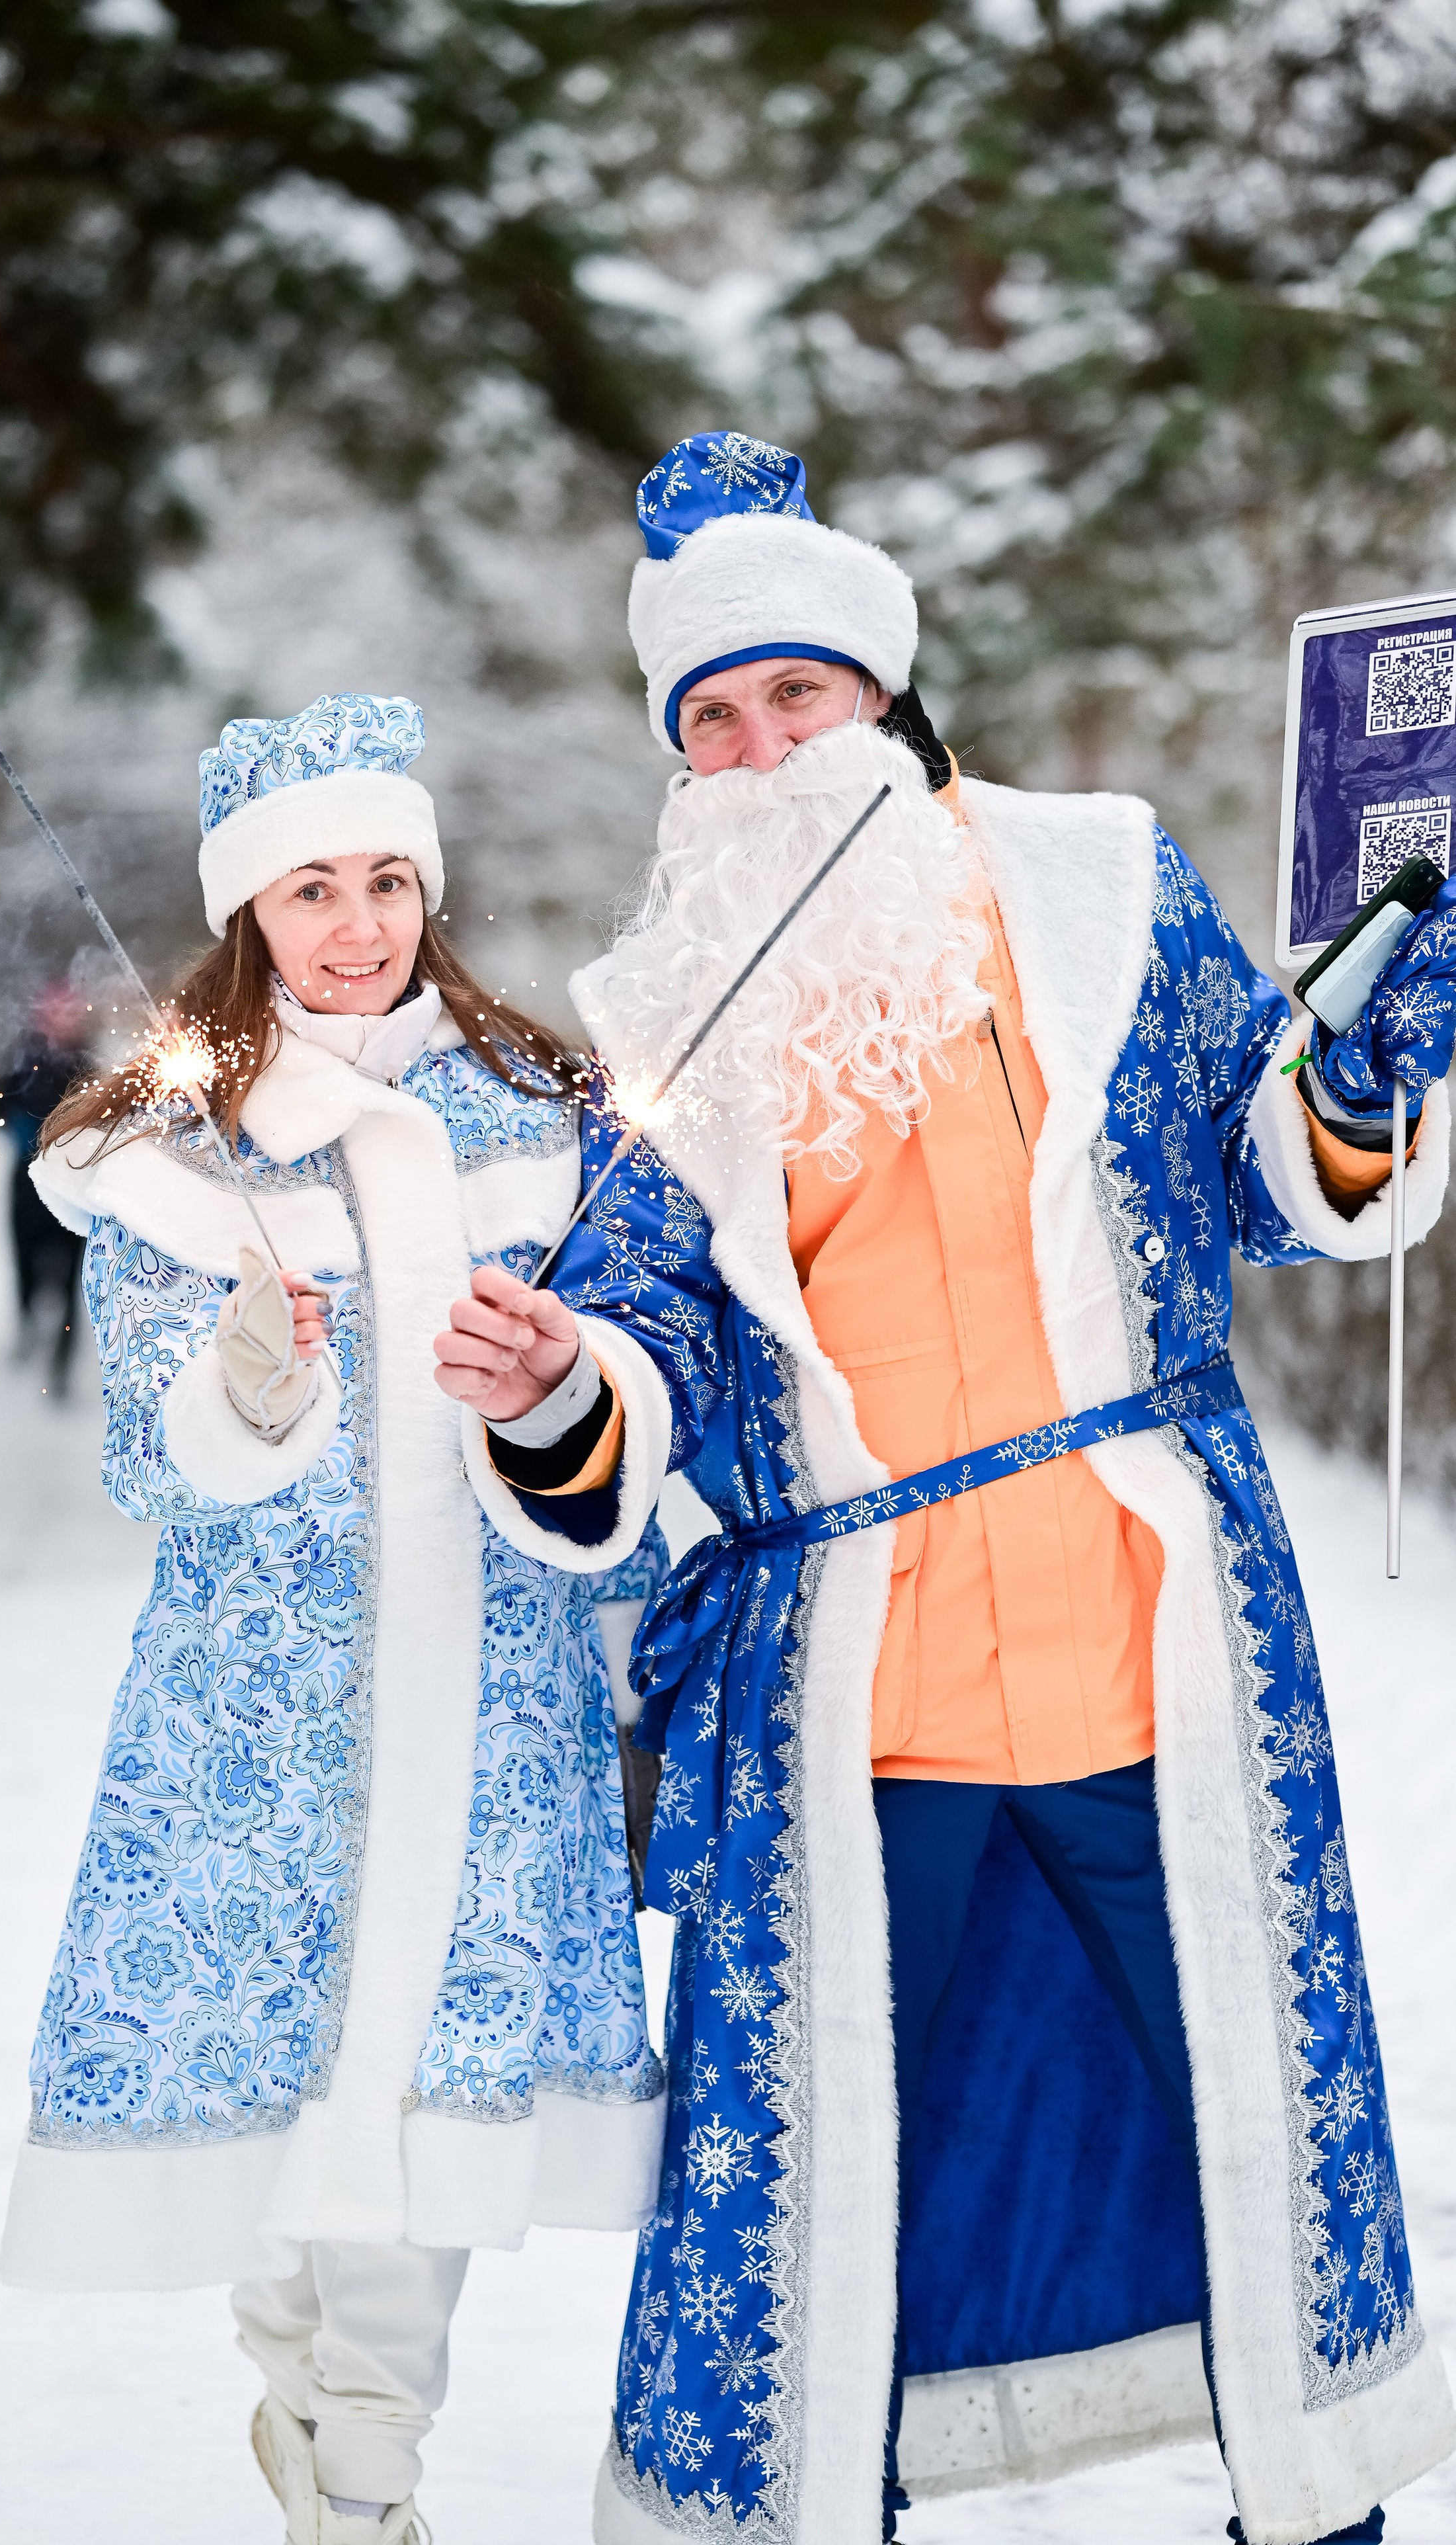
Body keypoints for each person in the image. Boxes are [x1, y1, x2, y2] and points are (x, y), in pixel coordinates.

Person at [432, 435, 1456, 2545]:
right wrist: (560, 1380)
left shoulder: (1100, 880)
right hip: (853, 1704)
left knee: (1252, 2126)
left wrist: (1347, 1084)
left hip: (1144, 1652)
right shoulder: (676, 1013)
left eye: (790, 694)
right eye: (707, 718)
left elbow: (1267, 1172)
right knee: (818, 2189)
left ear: (885, 694)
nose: (753, 745)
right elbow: (648, 1341)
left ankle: (1329, 2516)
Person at [0, 693, 665, 2545]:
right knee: (280, 2116)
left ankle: (371, 2477)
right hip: (258, 1711)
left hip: (493, 1696)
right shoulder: (173, 1141)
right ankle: (304, 2409)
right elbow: (155, 1460)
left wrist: (558, 1385)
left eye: (388, 880)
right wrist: (246, 1386)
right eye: (313, 890)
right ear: (249, 916)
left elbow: (625, 1401)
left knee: (431, 2103)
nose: (359, 924)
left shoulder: (542, 1117)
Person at [0, 976, 95, 1391]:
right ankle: (28, 1326)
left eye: (69, 1013)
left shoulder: (87, 1067)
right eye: (55, 1013)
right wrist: (13, 1122)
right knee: (25, 1263)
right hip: (25, 1180)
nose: (61, 1022)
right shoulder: (22, 1062)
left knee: (72, 1276)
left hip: (72, 1181)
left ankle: (63, 1362)